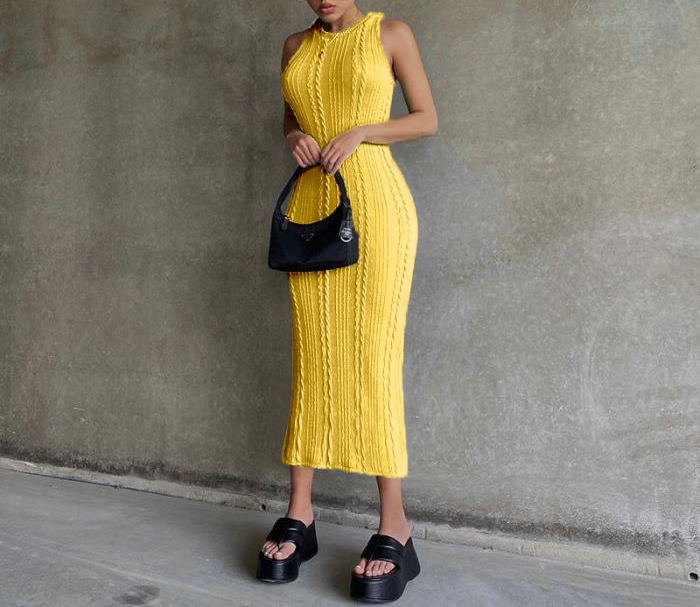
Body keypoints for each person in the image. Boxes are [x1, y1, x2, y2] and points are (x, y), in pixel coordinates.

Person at [257, 0, 437, 602]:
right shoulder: (295, 46)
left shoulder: (391, 33)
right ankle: (300, 513)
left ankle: (395, 526)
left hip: (378, 211)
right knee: (312, 360)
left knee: (374, 363)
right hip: (314, 209)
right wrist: (296, 135)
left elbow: (427, 118)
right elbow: (292, 114)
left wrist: (362, 131)